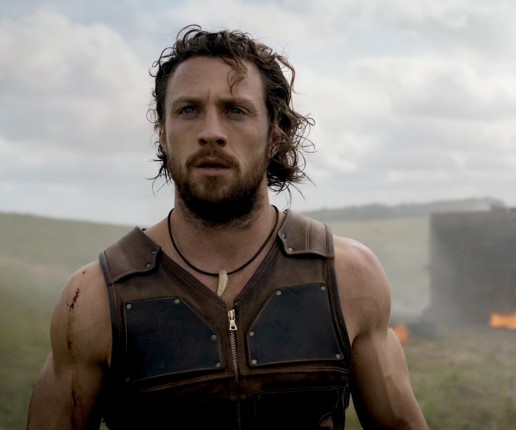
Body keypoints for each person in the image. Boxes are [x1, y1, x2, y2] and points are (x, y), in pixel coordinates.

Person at [26, 24, 428, 430]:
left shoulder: (348, 275)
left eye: (235, 110)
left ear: (275, 134)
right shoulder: (93, 298)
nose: (211, 133)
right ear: (162, 133)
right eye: (188, 110)